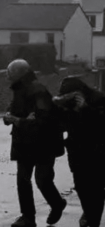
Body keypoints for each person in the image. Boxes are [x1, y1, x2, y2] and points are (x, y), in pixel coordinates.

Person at [3, 59, 66, 227]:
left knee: (42, 179)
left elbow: (42, 120)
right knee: (23, 179)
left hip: (45, 143)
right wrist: (10, 117)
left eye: (10, 73)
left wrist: (18, 120)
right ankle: (28, 217)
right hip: (24, 143)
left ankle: (57, 204)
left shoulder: (38, 91)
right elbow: (12, 111)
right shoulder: (19, 90)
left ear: (19, 74)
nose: (7, 76)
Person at [53, 76, 105, 227]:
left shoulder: (98, 99)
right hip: (77, 150)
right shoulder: (67, 104)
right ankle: (89, 213)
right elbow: (60, 124)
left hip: (97, 151)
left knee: (96, 188)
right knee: (81, 186)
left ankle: (93, 220)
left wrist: (86, 109)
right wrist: (57, 106)